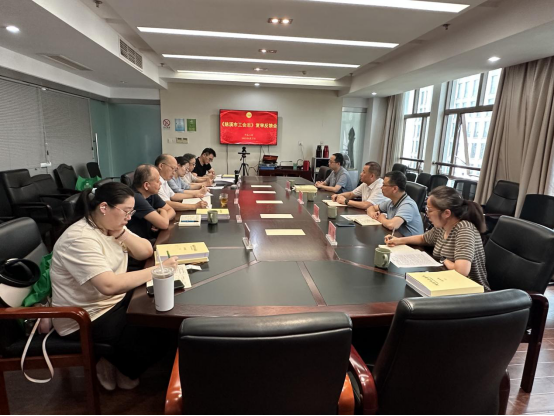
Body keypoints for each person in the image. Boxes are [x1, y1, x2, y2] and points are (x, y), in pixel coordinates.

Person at [50, 182, 179, 391]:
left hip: (111, 301)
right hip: (85, 315)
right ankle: (115, 363)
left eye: (131, 212)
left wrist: (122, 233)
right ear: (104, 207)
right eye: (126, 211)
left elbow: (146, 251)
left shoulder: (109, 226)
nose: (129, 217)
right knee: (157, 330)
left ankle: (120, 364)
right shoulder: (80, 238)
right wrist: (158, 271)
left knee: (160, 312)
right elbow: (108, 285)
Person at [385, 186, 490, 291]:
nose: (427, 214)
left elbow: (461, 271)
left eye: (430, 210)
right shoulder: (442, 226)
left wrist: (443, 259)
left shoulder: (464, 229)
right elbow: (423, 238)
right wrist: (398, 240)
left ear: (446, 213)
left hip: (471, 291)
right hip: (446, 282)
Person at [127, 164, 176, 243]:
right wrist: (162, 211)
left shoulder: (150, 193)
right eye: (157, 181)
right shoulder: (135, 198)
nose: (160, 183)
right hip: (139, 242)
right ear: (146, 185)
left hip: (149, 237)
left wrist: (161, 220)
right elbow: (164, 224)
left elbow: (171, 210)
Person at [367, 171, 424, 237]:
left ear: (394, 189)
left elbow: (392, 225)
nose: (381, 187)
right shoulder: (391, 202)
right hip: (397, 238)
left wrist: (381, 217)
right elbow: (371, 207)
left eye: (384, 185)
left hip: (411, 243)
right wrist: (373, 214)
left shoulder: (408, 205)